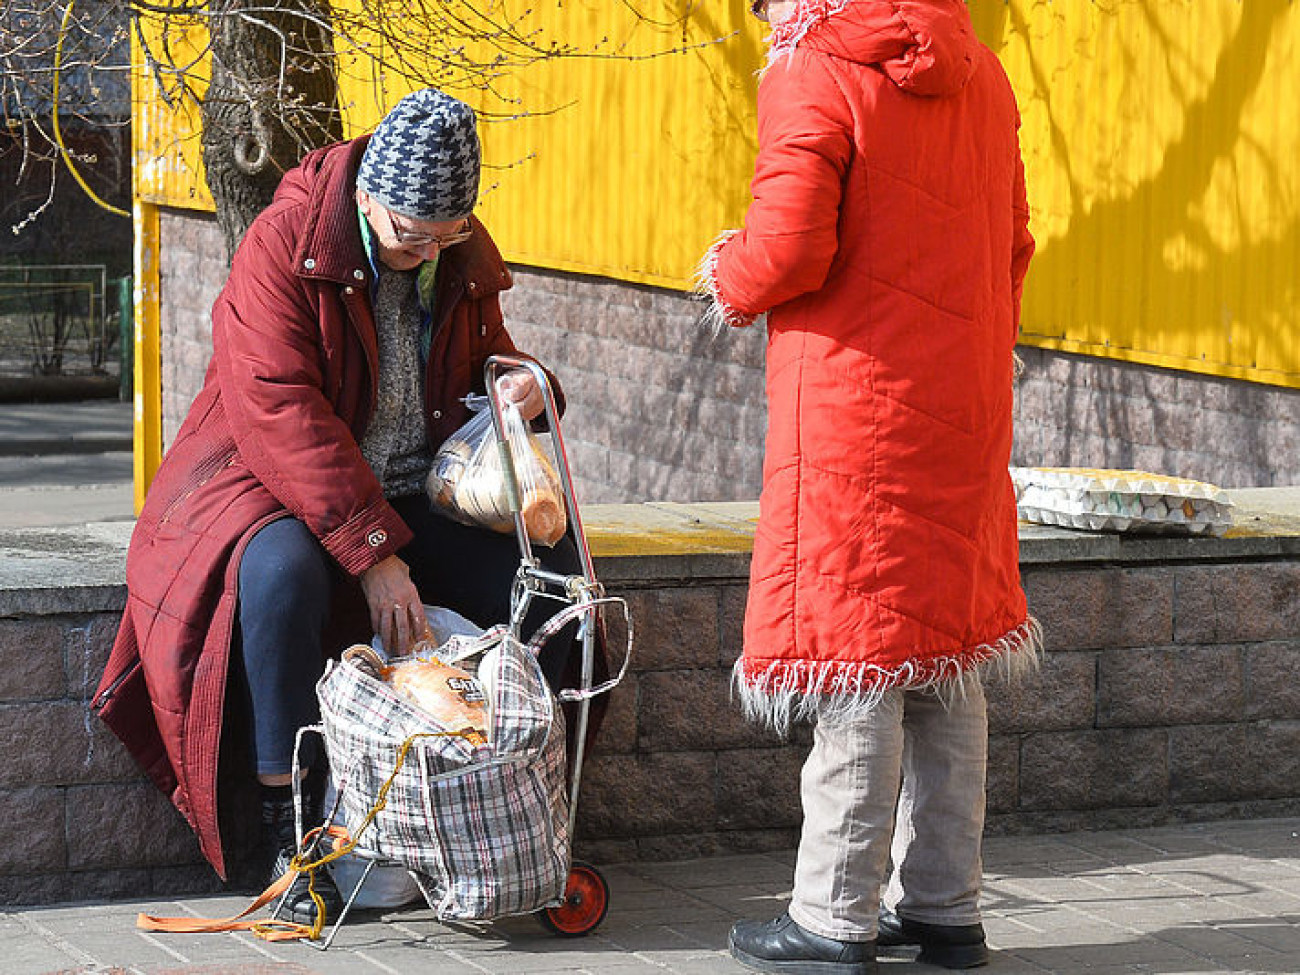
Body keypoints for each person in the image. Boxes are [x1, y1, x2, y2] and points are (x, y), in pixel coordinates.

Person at [93, 88, 590, 924]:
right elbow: (280, 407)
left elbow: (483, 357)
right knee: (281, 577)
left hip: (407, 487)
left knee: (557, 585)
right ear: (367, 196)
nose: (426, 249)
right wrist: (374, 554)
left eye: (446, 234)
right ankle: (289, 835)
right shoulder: (282, 243)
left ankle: (532, 808)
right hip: (263, 481)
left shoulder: (450, 246)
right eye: (409, 234)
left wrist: (523, 385)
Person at [697, 1, 1039, 972]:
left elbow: (791, 247)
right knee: (943, 638)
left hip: (856, 397)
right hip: (962, 392)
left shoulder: (810, 72)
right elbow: (1012, 242)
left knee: (858, 638)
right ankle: (941, 906)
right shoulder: (984, 74)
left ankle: (832, 917)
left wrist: (725, 273)